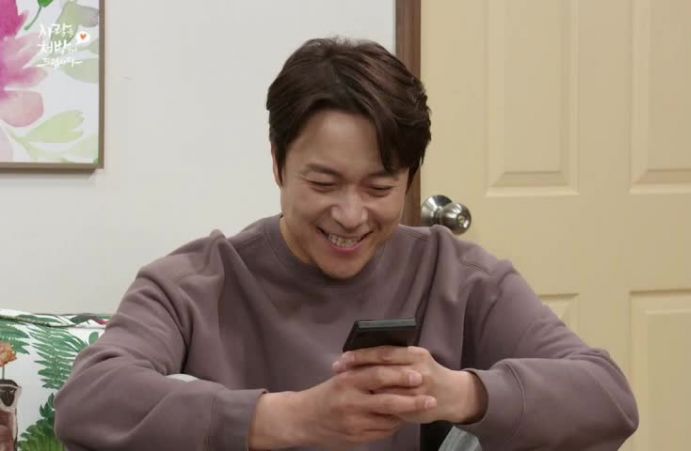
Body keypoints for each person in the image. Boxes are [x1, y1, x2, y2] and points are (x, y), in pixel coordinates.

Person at [54, 37, 638, 450]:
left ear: (410, 179)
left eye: (379, 188)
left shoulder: (458, 275)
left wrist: (460, 394)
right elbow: (89, 401)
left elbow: (607, 398)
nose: (352, 216)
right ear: (279, 164)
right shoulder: (194, 283)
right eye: (323, 183)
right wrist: (289, 417)